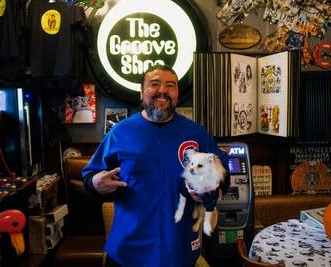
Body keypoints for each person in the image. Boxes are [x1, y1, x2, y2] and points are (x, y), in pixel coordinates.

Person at [82, 64, 229, 267]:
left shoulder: (196, 134)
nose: (163, 90)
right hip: (128, 250)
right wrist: (95, 183)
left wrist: (213, 188)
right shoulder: (120, 133)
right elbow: (90, 177)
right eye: (154, 84)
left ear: (177, 94)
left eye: (170, 85)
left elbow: (224, 173)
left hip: (179, 248)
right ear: (142, 93)